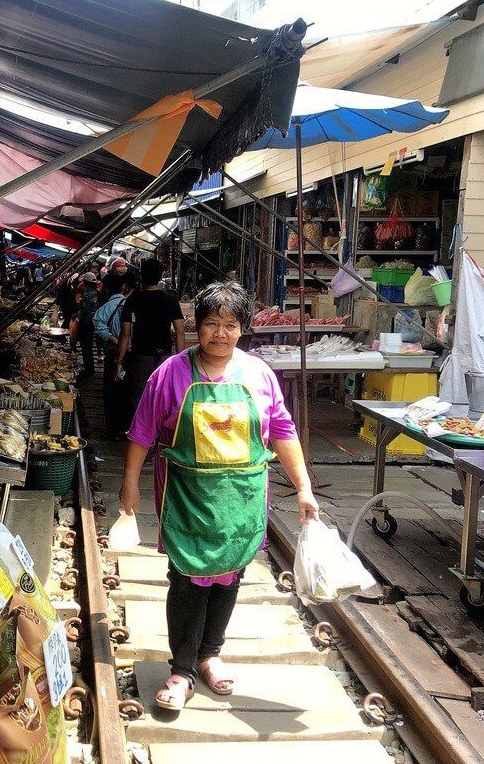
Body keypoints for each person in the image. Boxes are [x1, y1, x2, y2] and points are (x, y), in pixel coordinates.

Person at [119, 281, 318, 712]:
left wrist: (303, 486)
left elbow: (282, 431)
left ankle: (210, 654)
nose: (220, 334)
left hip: (241, 498)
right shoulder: (170, 372)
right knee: (189, 577)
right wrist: (129, 482)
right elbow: (142, 432)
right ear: (196, 328)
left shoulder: (259, 374)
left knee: (230, 574)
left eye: (230, 325)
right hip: (188, 496)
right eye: (212, 324)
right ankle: (182, 669)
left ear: (243, 329)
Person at [117, 256, 185, 414]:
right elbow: (180, 331)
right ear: (160, 276)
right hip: (164, 356)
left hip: (140, 356)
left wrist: (119, 362)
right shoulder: (171, 300)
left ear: (141, 276)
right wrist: (180, 359)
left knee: (140, 396)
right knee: (163, 394)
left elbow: (125, 333)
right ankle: (158, 433)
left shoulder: (133, 300)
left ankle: (140, 433)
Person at [93, 272, 133, 439]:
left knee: (110, 392)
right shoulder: (131, 305)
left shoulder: (107, 307)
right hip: (132, 354)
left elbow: (98, 324)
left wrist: (115, 341)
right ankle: (126, 429)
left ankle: (112, 432)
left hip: (113, 353)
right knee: (127, 391)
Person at [76, 271, 99, 377]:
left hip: (85, 323)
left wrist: (77, 313)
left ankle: (89, 369)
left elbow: (84, 309)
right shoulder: (96, 292)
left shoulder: (87, 293)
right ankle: (90, 368)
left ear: (85, 282)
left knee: (86, 346)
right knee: (88, 345)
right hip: (92, 322)